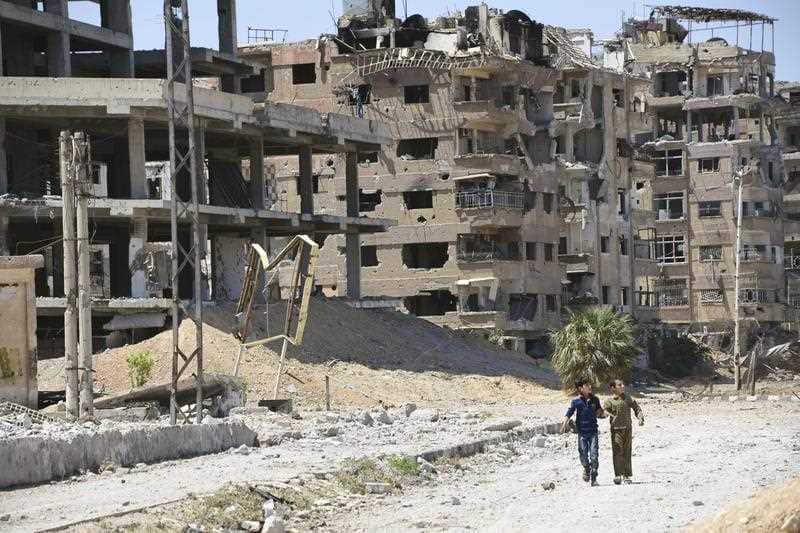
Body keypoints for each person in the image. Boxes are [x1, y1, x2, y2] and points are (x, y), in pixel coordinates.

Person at [562, 378, 604, 486]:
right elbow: (570, 411)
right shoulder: (576, 402)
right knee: (583, 454)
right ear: (581, 388)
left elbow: (600, 412)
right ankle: (586, 468)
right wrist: (564, 423)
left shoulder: (595, 400)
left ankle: (594, 478)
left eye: (590, 384)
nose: (590, 386)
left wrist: (605, 414)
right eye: (587, 385)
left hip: (593, 431)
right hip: (582, 433)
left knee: (594, 455)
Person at [603, 379, 644, 485]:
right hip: (616, 430)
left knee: (627, 451)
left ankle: (626, 475)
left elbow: (637, 408)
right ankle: (617, 475)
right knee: (617, 452)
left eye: (623, 384)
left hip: (628, 429)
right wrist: (604, 413)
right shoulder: (609, 401)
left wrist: (640, 418)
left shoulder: (628, 398)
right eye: (619, 385)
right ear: (613, 388)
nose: (622, 386)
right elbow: (603, 412)